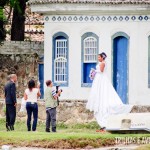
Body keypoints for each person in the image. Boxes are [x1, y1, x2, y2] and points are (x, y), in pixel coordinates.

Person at [86, 52, 133, 131]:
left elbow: (101, 71)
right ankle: (102, 125)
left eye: (99, 57)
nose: (98, 58)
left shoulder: (103, 63)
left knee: (104, 92)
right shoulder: (101, 62)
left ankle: (105, 124)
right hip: (98, 79)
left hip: (101, 79)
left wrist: (94, 71)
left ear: (102, 58)